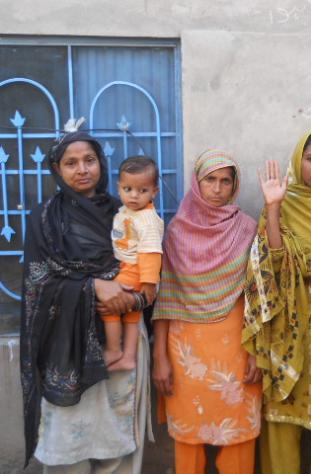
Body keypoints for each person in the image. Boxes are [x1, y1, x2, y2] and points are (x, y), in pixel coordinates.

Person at [20, 131, 152, 473]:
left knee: (117, 442)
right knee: (67, 446)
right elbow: (37, 282)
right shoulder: (44, 219)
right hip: (66, 346)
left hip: (122, 338)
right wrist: (93, 286)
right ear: (56, 169)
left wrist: (130, 298)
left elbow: (151, 267)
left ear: (101, 164)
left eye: (89, 160)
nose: (82, 169)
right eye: (71, 163)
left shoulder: (126, 212)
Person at [242, 130, 311, 474]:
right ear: (298, 161)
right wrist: (274, 208)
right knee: (281, 415)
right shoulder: (280, 204)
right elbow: (271, 266)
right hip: (286, 327)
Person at [152, 150, 261, 474]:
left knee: (238, 434)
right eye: (210, 179)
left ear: (234, 186)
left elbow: (258, 296)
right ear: (196, 183)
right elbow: (166, 297)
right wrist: (160, 357)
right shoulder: (177, 232)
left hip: (237, 347)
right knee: (189, 435)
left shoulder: (246, 229)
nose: (217, 188)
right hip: (187, 353)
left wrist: (257, 352)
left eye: (225, 181)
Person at [103, 156, 164, 371]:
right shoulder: (126, 211)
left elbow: (151, 252)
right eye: (127, 189)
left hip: (134, 270)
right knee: (131, 315)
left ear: (154, 192)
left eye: (142, 190)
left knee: (109, 305)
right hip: (128, 267)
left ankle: (113, 350)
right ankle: (129, 356)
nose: (134, 195)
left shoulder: (147, 219)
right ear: (118, 188)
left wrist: (148, 284)